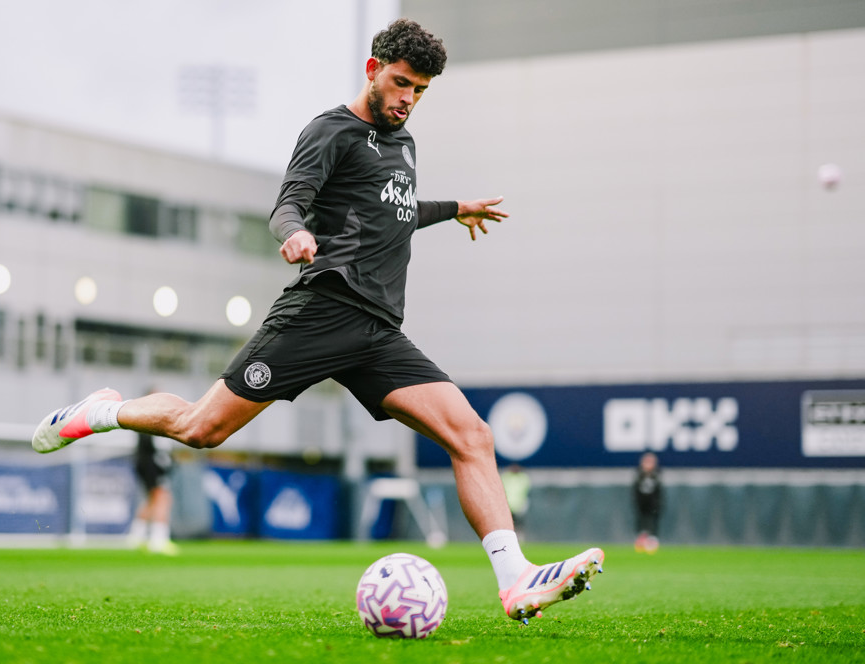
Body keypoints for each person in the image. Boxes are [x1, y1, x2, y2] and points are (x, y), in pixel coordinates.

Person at [32, 18, 603, 624]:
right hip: (321, 310)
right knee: (202, 430)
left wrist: (453, 208)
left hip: (379, 332)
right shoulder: (331, 131)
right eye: (402, 83)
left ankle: (515, 580)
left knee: (475, 437)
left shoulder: (404, 142)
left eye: (421, 91)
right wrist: (296, 232)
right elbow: (288, 202)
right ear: (372, 70)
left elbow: (394, 212)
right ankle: (97, 413)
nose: (409, 100)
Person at [127, 426, 179, 555]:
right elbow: (154, 449)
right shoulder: (154, 421)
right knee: (163, 498)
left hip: (147, 464)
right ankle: (158, 540)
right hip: (152, 466)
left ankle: (136, 537)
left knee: (151, 500)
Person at [633, 452, 662, 553]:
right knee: (641, 522)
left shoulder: (656, 475)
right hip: (642, 505)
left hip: (653, 505)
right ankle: (641, 540)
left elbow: (659, 493)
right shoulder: (639, 475)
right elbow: (635, 491)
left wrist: (658, 504)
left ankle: (652, 541)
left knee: (653, 522)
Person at [501, 464, 530, 539]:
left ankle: (519, 539)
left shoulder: (523, 478)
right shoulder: (506, 477)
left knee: (519, 525)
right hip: (508, 506)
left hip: (518, 506)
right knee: (507, 525)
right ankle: (507, 539)